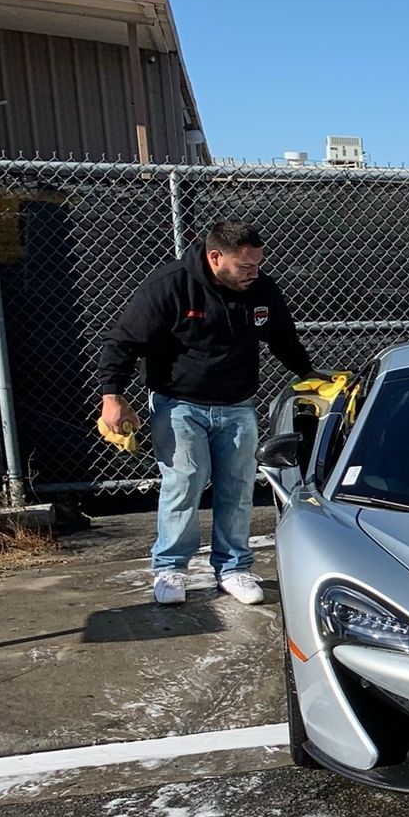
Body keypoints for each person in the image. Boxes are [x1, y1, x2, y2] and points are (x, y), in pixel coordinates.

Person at [96, 221, 320, 606]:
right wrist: (112, 396)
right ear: (215, 257)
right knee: (184, 483)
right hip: (179, 403)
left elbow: (283, 337)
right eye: (245, 266)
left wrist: (309, 374)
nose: (254, 273)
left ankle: (233, 568)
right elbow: (124, 341)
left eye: (258, 264)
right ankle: (171, 567)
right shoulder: (170, 285)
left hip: (237, 405)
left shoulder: (261, 288)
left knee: (238, 486)